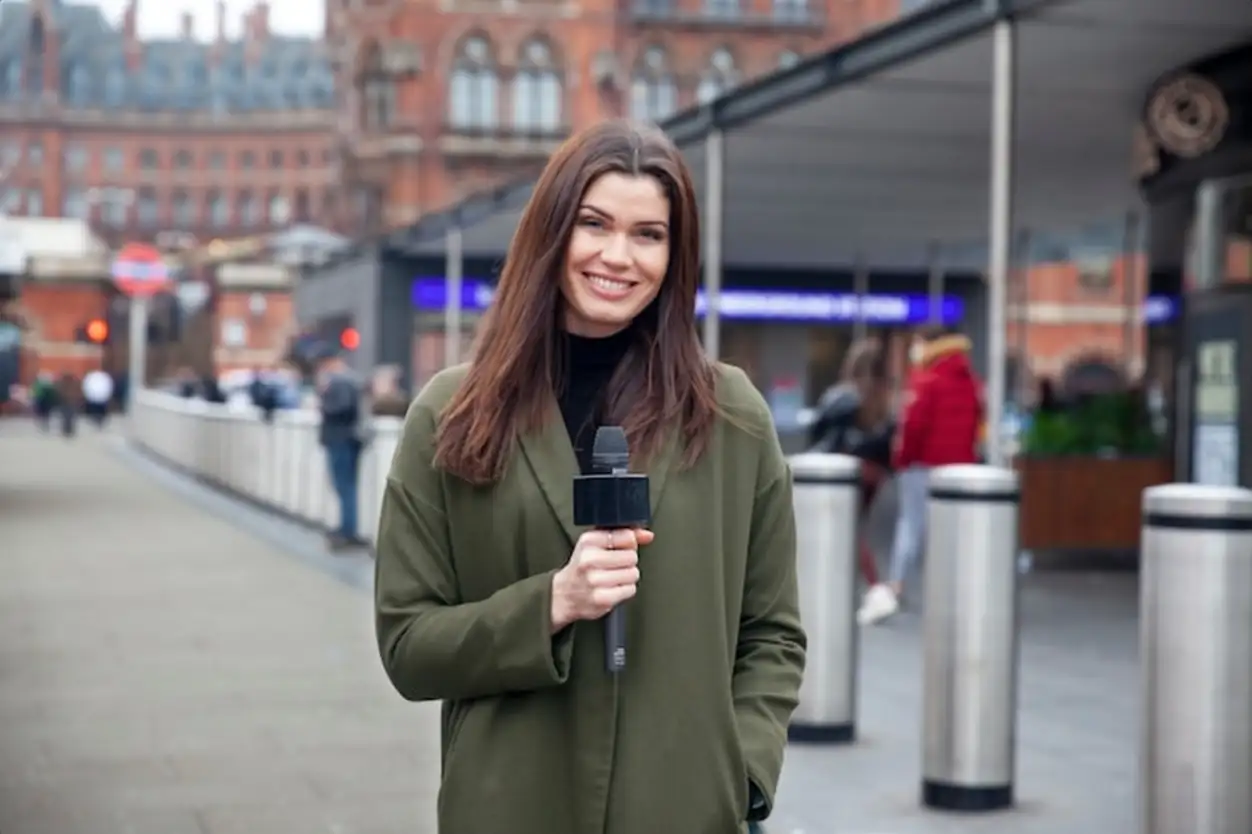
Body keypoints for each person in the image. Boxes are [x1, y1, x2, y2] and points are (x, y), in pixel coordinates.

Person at [374, 120, 806, 834]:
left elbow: (773, 634)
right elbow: (408, 647)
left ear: (676, 254)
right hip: (509, 806)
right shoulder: (450, 414)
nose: (618, 256)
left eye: (648, 234)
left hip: (684, 809)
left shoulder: (731, 415)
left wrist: (743, 776)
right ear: (551, 233)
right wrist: (552, 603)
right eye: (594, 224)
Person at [858, 325, 983, 626]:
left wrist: (901, 460)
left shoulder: (926, 379)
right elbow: (978, 422)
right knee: (950, 527)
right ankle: (955, 586)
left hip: (922, 464)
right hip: (958, 468)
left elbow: (912, 427)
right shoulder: (970, 380)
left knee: (911, 524)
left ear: (930, 345)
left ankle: (897, 584)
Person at [808, 341, 895, 601]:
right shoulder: (882, 400)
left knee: (844, 527)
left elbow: (820, 432)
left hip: (841, 470)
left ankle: (874, 587)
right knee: (853, 527)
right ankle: (868, 585)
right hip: (872, 474)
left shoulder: (842, 397)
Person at [317, 350, 367, 551]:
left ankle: (348, 530)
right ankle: (347, 528)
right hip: (347, 439)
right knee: (346, 486)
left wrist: (324, 398)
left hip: (341, 439)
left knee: (344, 486)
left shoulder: (340, 382)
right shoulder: (349, 380)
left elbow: (341, 409)